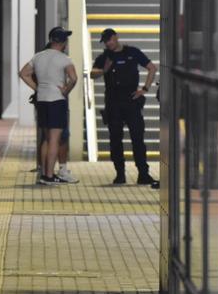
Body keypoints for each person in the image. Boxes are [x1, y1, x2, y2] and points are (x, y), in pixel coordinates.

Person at [90, 28, 158, 185]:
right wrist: (104, 70)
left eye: (110, 40)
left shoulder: (132, 52)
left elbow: (152, 68)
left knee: (138, 139)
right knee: (115, 139)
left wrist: (144, 89)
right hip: (113, 102)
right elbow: (93, 74)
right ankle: (120, 174)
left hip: (131, 100)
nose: (108, 43)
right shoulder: (105, 57)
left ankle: (143, 174)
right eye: (105, 42)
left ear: (116, 37)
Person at [19, 27, 79, 185]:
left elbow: (23, 73)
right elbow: (74, 78)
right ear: (63, 42)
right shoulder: (64, 59)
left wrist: (37, 88)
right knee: (54, 139)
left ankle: (44, 173)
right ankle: (49, 175)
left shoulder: (38, 56)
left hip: (42, 100)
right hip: (56, 101)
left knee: (46, 138)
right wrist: (66, 90)